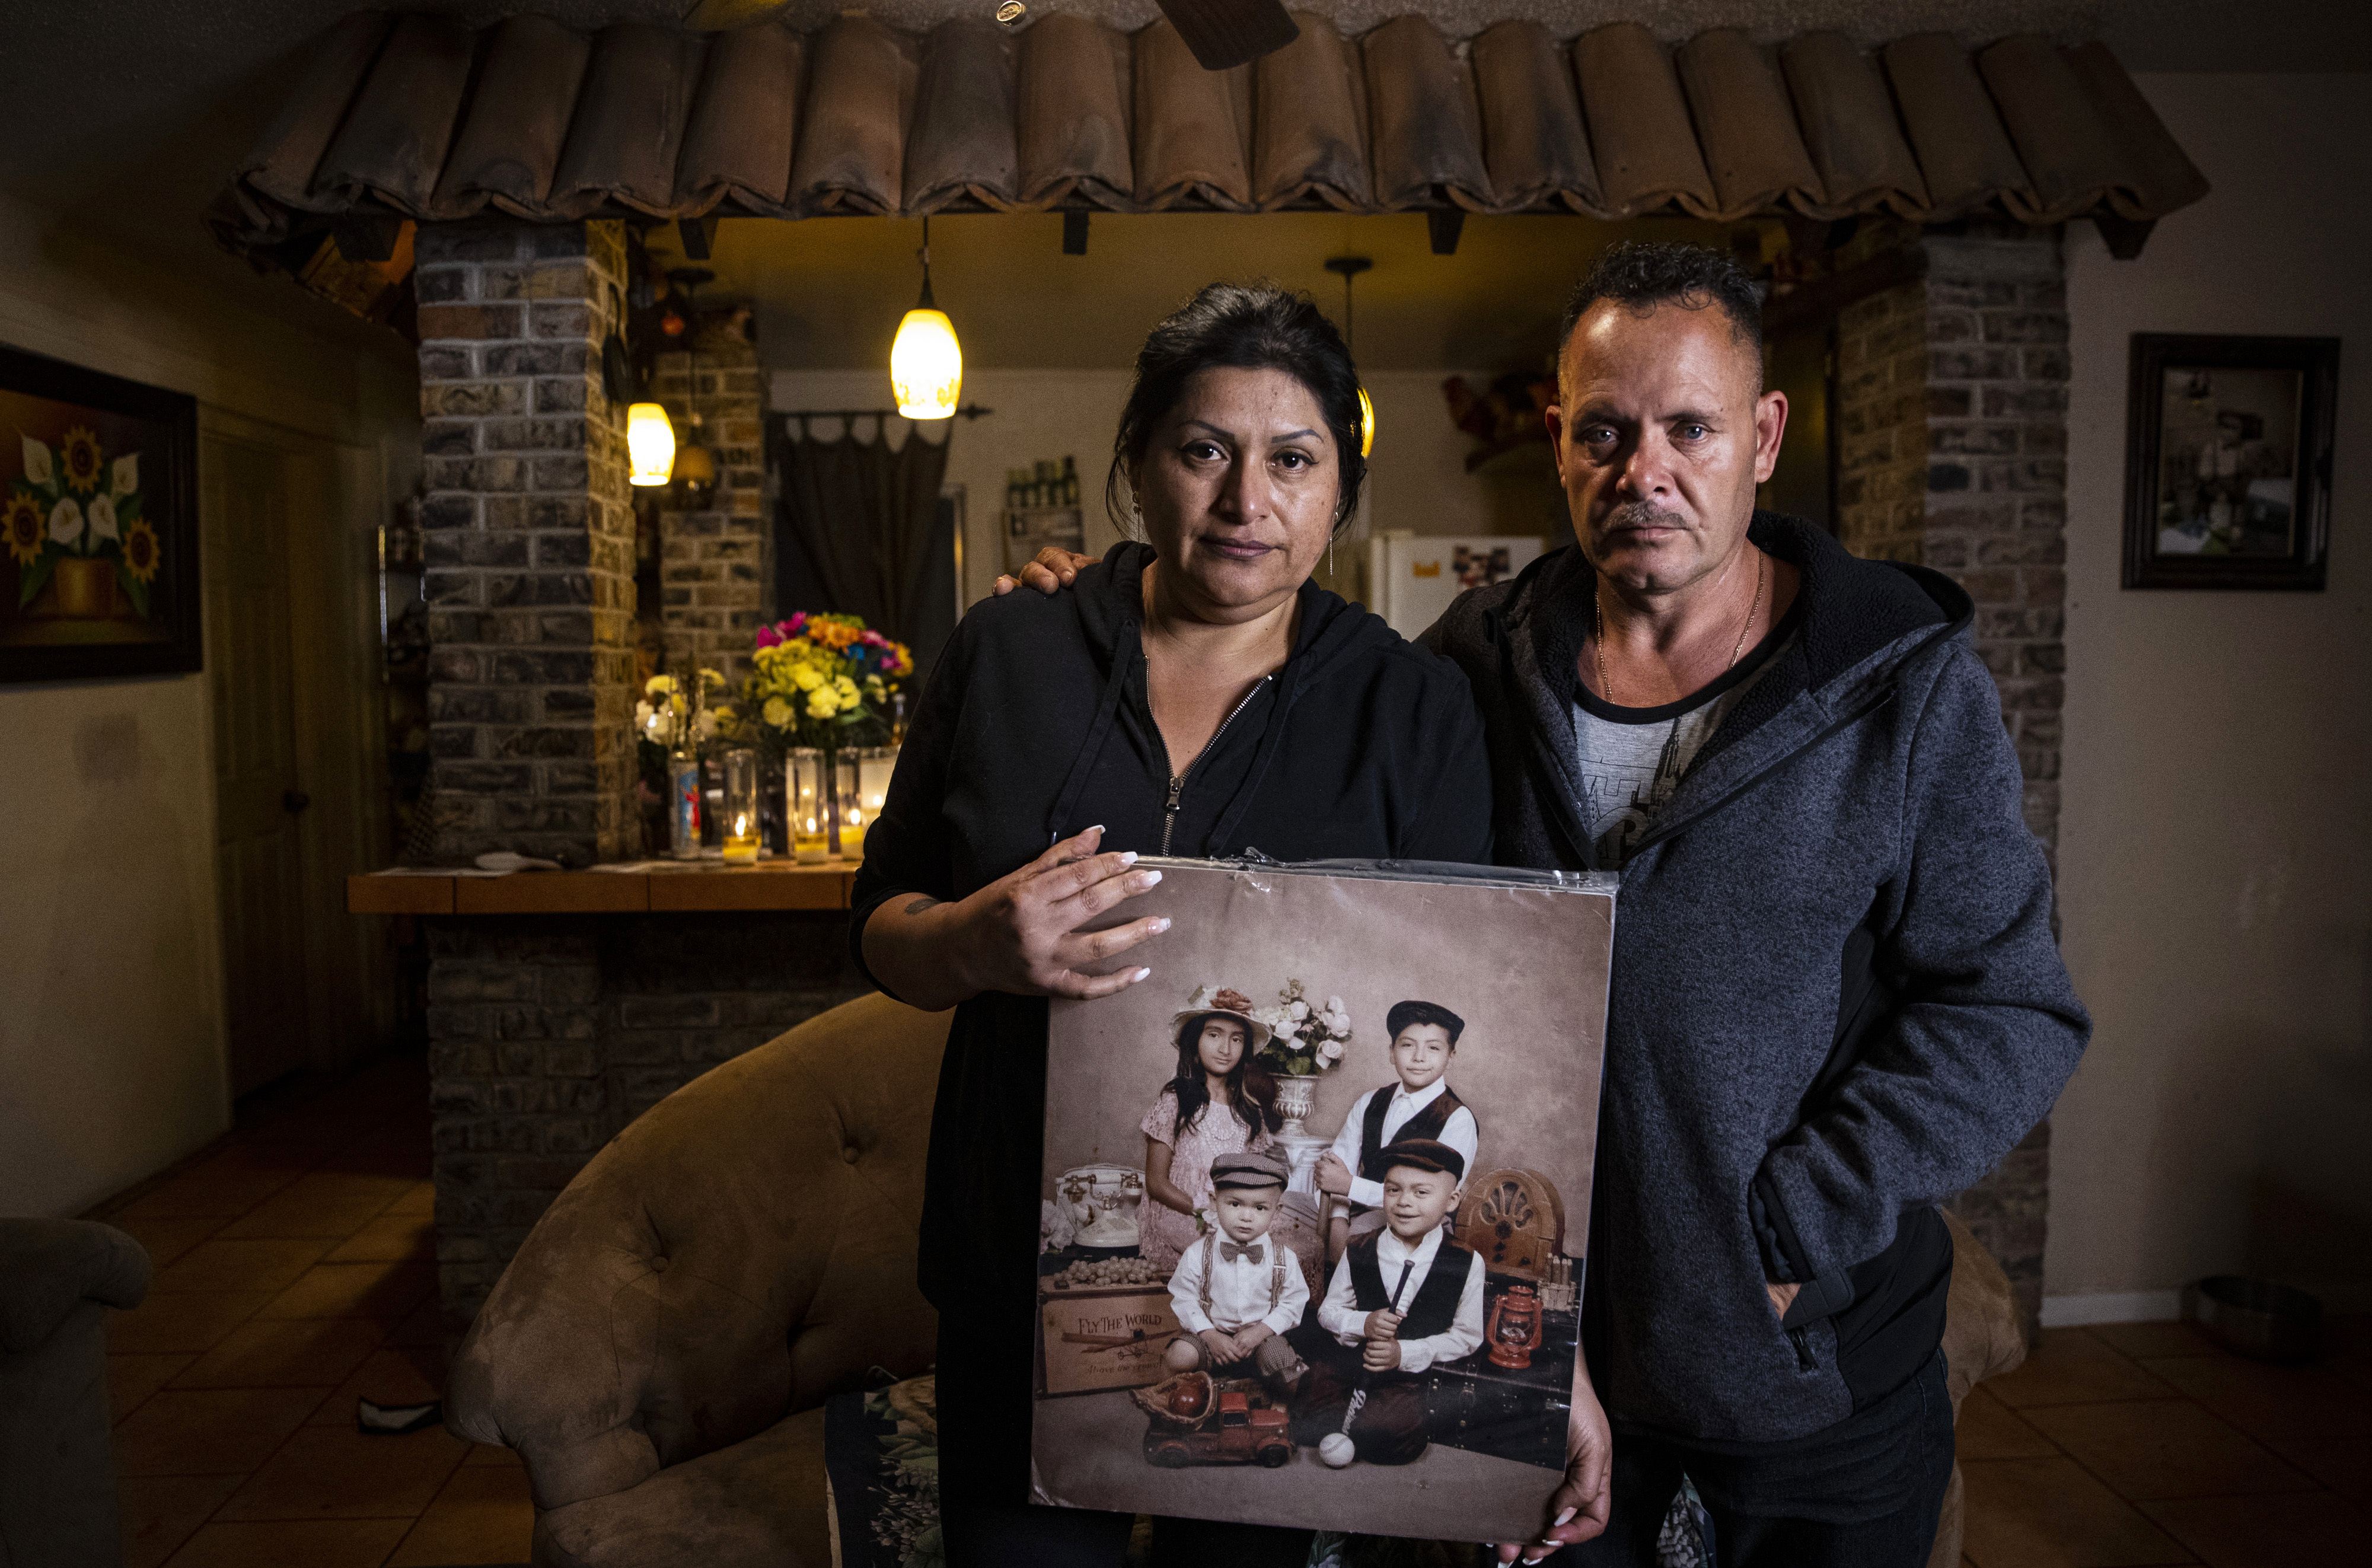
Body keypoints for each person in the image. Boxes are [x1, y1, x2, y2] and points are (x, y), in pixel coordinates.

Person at [1002, 241, 2092, 1567]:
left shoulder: (1900, 692)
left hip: (1809, 1367)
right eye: (1606, 431)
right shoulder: (1471, 660)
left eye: (1689, 428)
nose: (1646, 472)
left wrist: (1792, 1223)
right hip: (1542, 1365)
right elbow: (1290, 715)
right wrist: (1097, 612)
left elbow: (2010, 1007)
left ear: (1760, 436)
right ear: (1556, 439)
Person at [851, 281, 1493, 1568]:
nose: (1245, 499)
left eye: (1293, 460)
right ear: (1139, 467)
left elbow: (1443, 1001)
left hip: (1270, 1280)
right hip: (1018, 1267)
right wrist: (971, 945)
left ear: (1337, 490)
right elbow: (877, 918)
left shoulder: (1411, 705)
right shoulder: (1007, 650)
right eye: (1204, 449)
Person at [1289, 1137, 1485, 1465]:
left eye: (1421, 1193)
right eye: (1393, 1190)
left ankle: (1377, 1424)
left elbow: (1467, 1338)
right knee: (1307, 1422)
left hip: (1409, 1373)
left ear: (1452, 1200)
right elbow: (1329, 1312)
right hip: (1354, 1360)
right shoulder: (1359, 1248)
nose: (1404, 1202)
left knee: (1387, 1439)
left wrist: (1404, 1353)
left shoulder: (1467, 1262)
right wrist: (1361, 1323)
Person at [1314, 999, 1479, 1260]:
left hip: (1413, 1219)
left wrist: (1349, 1186)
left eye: (1434, 1048)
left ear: (1451, 1057)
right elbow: (1336, 1171)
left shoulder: (1457, 1119)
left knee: (1366, 1236)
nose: (1419, 1057)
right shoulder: (1369, 1102)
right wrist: (1337, 1219)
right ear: (1391, 1052)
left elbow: (1429, 1200)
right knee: (1283, 1209)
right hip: (1350, 1207)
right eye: (1407, 1045)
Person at [1140, 986, 1283, 1270]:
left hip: (1235, 1214)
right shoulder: (1175, 1101)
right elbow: (1156, 1182)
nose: (1225, 1049)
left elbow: (1254, 1180)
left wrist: (1240, 1214)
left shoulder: (1249, 1111)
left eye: (1237, 1039)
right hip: (1184, 1211)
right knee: (1219, 1252)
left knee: (1284, 1244)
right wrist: (1205, 1210)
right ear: (1195, 1041)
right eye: (1214, 1035)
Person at [1160, 1148, 1310, 1393]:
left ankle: (1280, 1412)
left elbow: (1294, 1302)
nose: (1246, 1217)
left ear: (1277, 1212)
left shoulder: (1284, 1258)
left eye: (1260, 1208)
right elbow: (1184, 1298)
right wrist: (1209, 1334)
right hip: (1211, 1338)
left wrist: (1262, 1331)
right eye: (1235, 1204)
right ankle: (1166, 1406)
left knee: (1286, 1368)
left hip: (1261, 1339)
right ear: (1214, 1202)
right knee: (1178, 1356)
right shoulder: (1198, 1254)